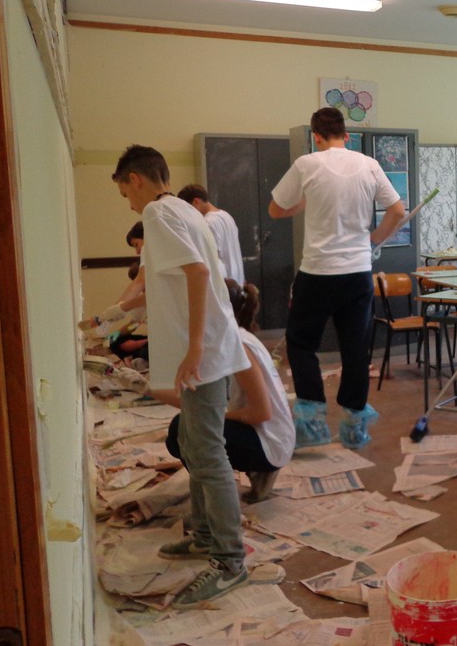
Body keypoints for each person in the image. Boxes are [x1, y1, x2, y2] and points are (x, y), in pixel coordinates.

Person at [111, 144, 251, 609]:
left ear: (135, 179)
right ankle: (205, 534)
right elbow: (161, 284)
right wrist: (110, 317)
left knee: (207, 453)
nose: (128, 204)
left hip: (204, 351)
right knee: (193, 445)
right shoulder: (184, 210)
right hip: (205, 347)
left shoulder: (157, 213)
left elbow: (196, 273)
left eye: (124, 193)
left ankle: (230, 562)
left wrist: (194, 348)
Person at [268, 107, 405, 449]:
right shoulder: (369, 164)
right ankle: (354, 427)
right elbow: (397, 211)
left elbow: (275, 209)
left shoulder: (307, 164)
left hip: (318, 272)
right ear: (346, 136)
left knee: (302, 344)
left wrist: (304, 203)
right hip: (357, 273)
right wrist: (374, 239)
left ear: (315, 137)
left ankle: (312, 422)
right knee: (356, 348)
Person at [159, 279, 295, 504]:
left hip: (270, 441)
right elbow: (193, 401)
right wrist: (141, 386)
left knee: (185, 428)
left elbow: (261, 413)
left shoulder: (236, 344)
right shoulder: (229, 339)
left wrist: (216, 416)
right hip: (259, 432)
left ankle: (223, 496)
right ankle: (220, 490)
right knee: (183, 428)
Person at [177, 184, 245, 286]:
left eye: (187, 209)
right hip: (238, 280)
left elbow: (211, 259)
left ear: (196, 202)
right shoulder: (227, 216)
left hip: (226, 284)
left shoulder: (207, 223)